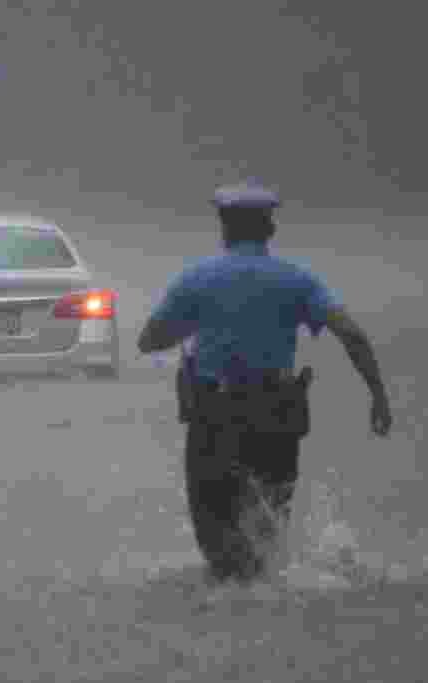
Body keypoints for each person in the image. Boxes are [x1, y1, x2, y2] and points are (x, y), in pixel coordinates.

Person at [137, 180, 393, 586]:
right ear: (270, 229)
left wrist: (192, 325)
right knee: (268, 534)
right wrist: (378, 395)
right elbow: (353, 334)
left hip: (214, 419)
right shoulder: (297, 280)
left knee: (216, 538)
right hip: (276, 417)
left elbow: (149, 340)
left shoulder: (196, 279)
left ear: (223, 228)